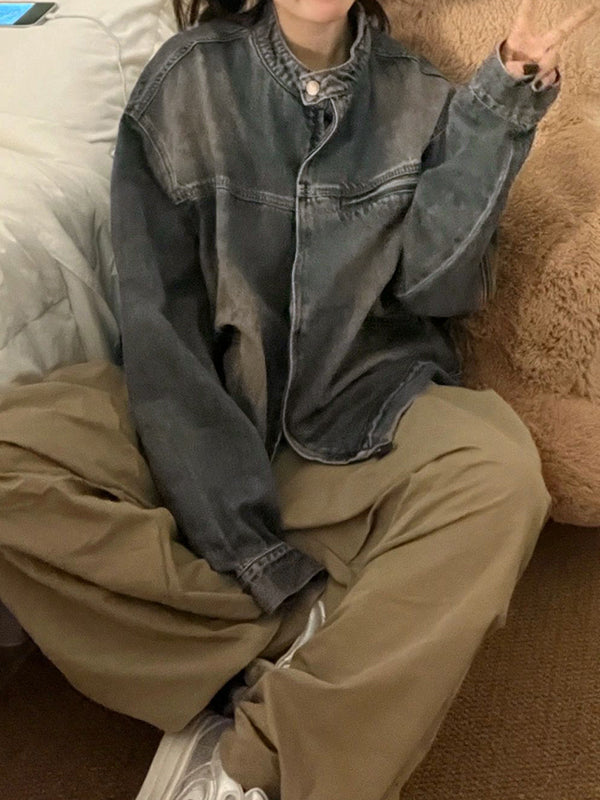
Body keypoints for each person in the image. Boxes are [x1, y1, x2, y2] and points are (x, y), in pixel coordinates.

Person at [0, 0, 596, 799]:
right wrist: (246, 547)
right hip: (198, 414)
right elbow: (160, 324)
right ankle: (300, 643)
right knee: (13, 457)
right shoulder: (185, 81)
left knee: (499, 474)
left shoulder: (418, 93)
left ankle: (258, 766)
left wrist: (500, 102)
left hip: (364, 414)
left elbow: (438, 289)